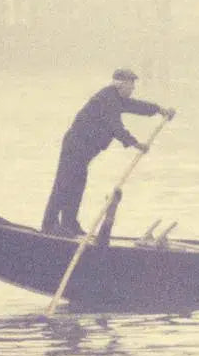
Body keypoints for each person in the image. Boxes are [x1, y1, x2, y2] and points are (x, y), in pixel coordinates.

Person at [41, 68, 175, 236]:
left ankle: (69, 224)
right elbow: (115, 127)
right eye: (131, 85)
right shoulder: (108, 99)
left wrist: (159, 109)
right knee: (64, 184)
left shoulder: (117, 99)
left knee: (77, 185)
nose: (133, 88)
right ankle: (49, 225)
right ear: (121, 85)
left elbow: (136, 106)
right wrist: (135, 143)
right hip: (75, 146)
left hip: (84, 151)